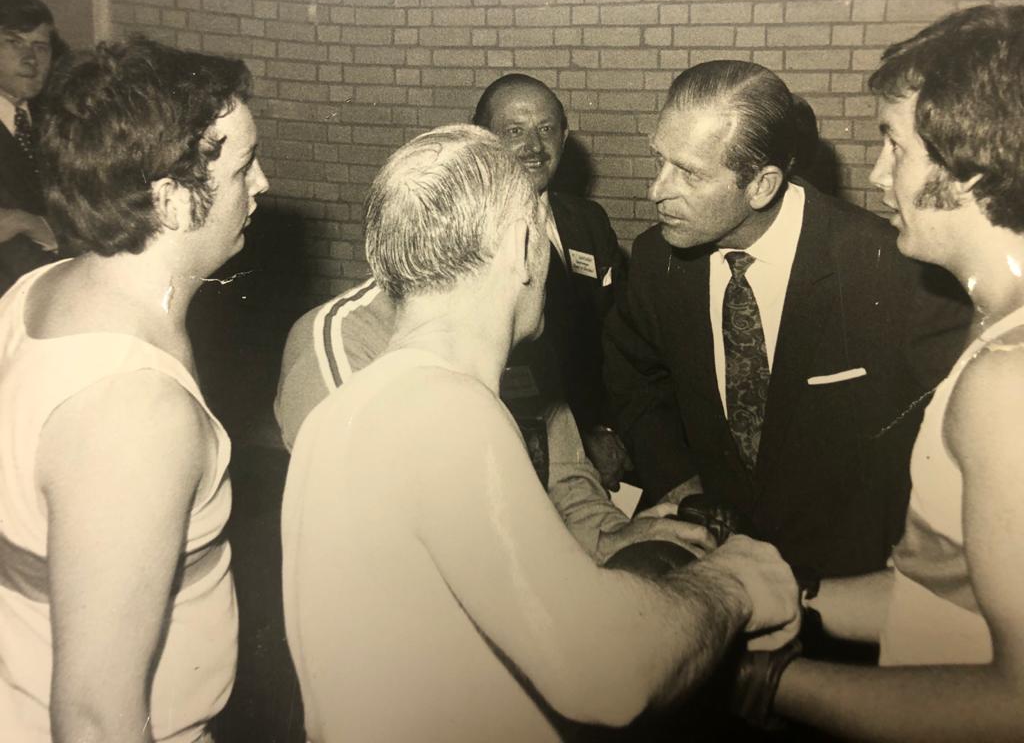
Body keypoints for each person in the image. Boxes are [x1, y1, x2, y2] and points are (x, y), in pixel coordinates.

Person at [281, 124, 800, 742]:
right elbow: (607, 671)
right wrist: (734, 582)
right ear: (523, 246)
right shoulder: (445, 409)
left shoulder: (363, 406)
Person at [749, 5, 1024, 739]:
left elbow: (1015, 704)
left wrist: (766, 681)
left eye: (893, 147)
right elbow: (949, 599)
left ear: (964, 168)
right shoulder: (996, 326)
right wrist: (786, 596)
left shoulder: (1008, 381)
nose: (875, 174)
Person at [603, 60, 971, 582]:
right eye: (659, 160)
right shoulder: (655, 262)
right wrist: (678, 478)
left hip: (852, 583)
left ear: (761, 185)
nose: (656, 190)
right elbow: (632, 373)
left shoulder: (888, 268)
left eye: (688, 172)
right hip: (718, 574)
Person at [0, 38, 268, 742]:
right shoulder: (133, 411)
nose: (262, 185)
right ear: (173, 201)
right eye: (244, 168)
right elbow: (93, 720)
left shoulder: (44, 289)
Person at [473, 73, 629, 491]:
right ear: (483, 140)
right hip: (512, 453)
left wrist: (609, 429)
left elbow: (617, 340)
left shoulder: (589, 223)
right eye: (514, 131)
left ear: (564, 137)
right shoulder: (464, 233)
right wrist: (577, 443)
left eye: (546, 130)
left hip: (604, 442)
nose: (534, 147)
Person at [0, 0, 60, 294]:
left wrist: (28, 222)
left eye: (40, 46)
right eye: (14, 42)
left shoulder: (58, 119)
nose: (30, 58)